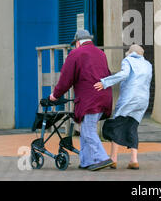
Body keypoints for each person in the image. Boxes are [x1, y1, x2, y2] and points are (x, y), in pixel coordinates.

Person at [49, 29, 114, 171]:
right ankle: (86, 161)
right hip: (104, 96)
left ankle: (103, 158)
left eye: (75, 44)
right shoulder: (101, 53)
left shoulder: (76, 54)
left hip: (90, 98)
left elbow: (66, 79)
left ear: (78, 42)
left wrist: (55, 95)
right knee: (86, 128)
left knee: (88, 130)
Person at [93, 44, 152, 170]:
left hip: (130, 99)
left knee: (117, 125)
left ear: (130, 53)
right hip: (143, 100)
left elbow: (124, 75)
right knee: (132, 126)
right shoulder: (148, 64)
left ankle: (113, 159)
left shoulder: (128, 60)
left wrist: (105, 83)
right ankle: (134, 160)